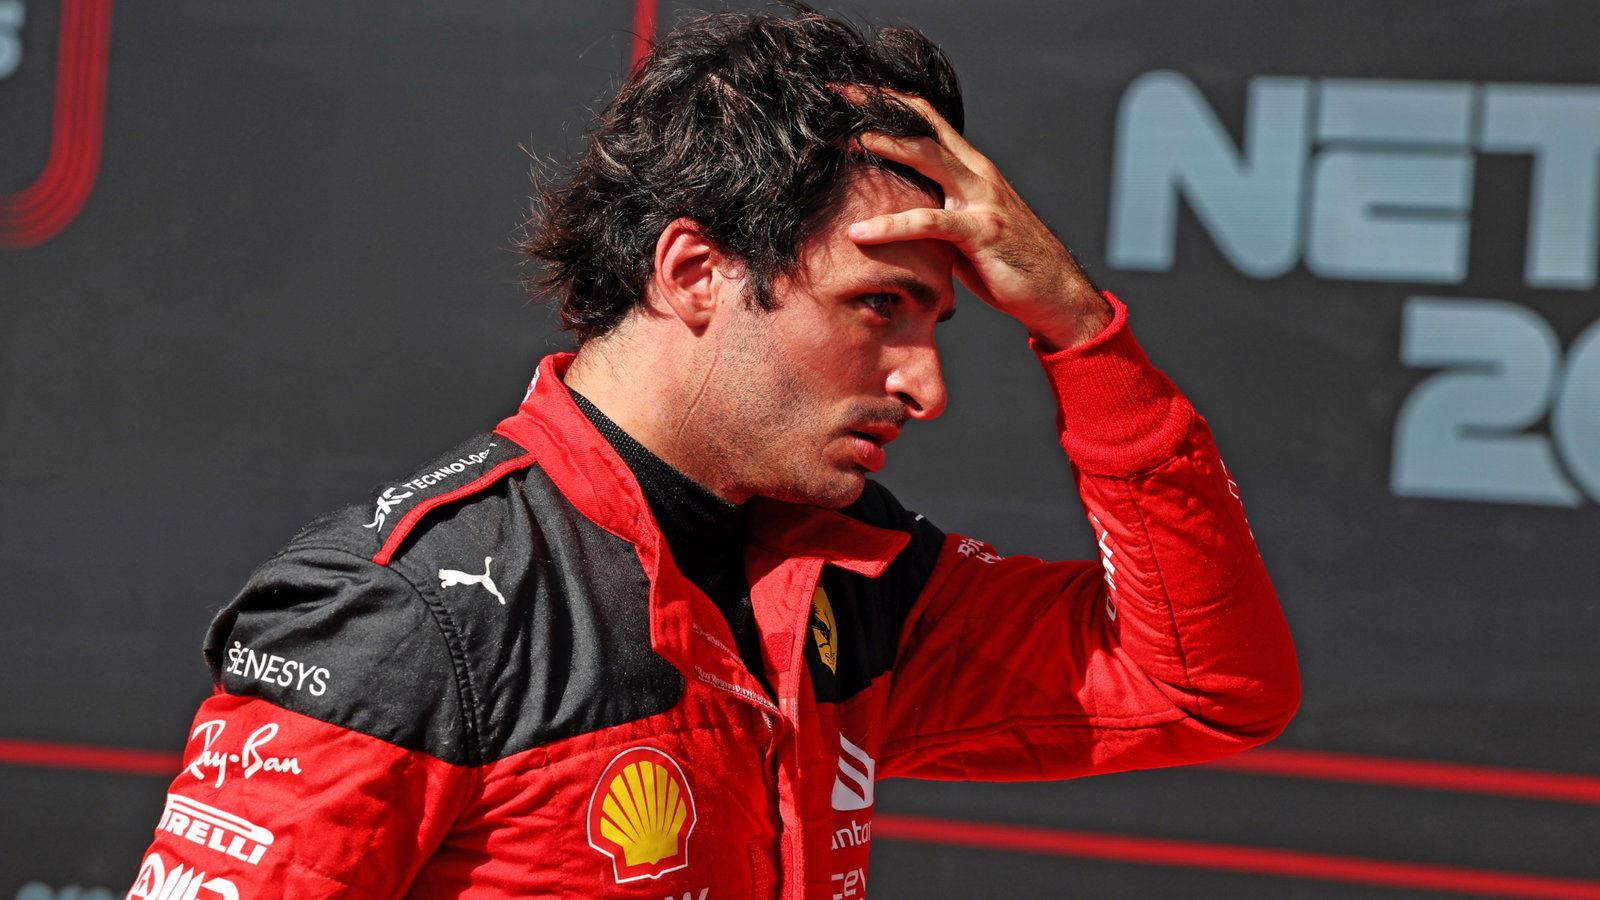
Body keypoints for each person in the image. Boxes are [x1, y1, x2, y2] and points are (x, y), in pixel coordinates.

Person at [127, 6, 1298, 899]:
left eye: (938, 325)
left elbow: (1204, 687)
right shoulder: (412, 609)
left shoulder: (854, 577)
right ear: (694, 272)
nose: (925, 387)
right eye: (878, 307)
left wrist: (1081, 334)